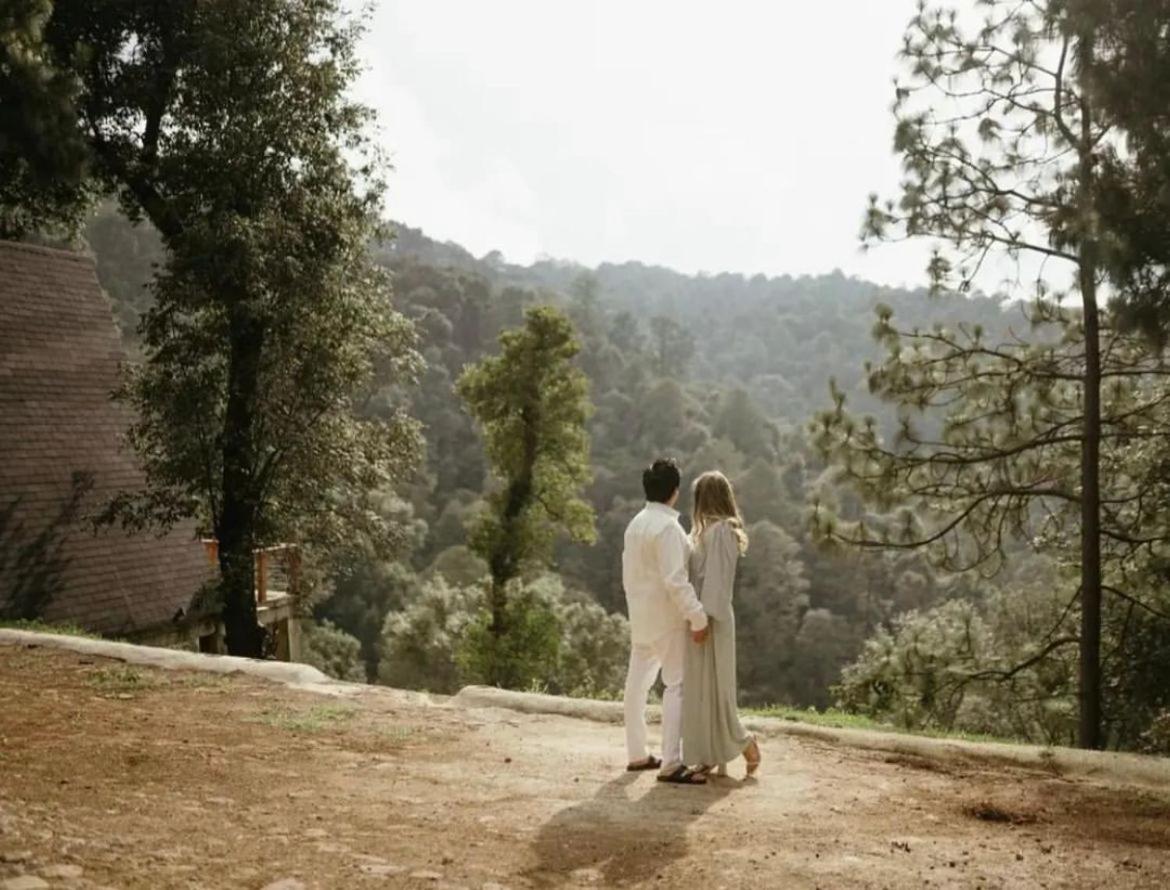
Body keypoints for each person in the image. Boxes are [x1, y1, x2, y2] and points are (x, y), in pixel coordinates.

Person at [622, 458, 711, 785]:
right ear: (675, 492)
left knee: (636, 688)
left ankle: (637, 753)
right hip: (668, 619)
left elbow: (628, 575)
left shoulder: (635, 524)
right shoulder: (669, 529)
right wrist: (698, 617)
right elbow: (676, 580)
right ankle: (671, 763)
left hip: (641, 616)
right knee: (677, 686)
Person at [682, 471, 761, 778]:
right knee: (700, 690)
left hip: (714, 619)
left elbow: (719, 581)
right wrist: (693, 616)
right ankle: (707, 755)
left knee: (719, 691)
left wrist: (705, 619)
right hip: (699, 618)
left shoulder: (725, 531)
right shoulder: (698, 534)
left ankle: (745, 741)